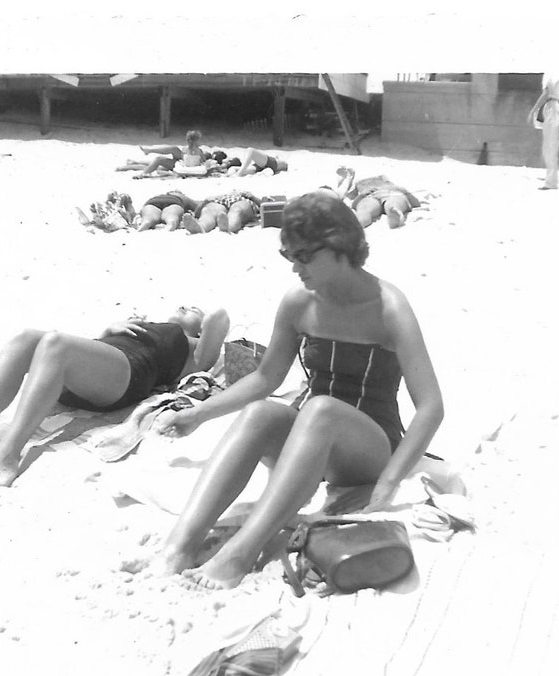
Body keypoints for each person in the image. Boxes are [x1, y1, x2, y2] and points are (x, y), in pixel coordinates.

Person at [153, 190, 444, 589]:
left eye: (304, 255)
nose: (294, 267)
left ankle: (239, 555)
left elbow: (430, 406)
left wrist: (388, 483)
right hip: (309, 436)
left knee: (321, 408)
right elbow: (265, 379)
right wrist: (198, 413)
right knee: (262, 412)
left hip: (369, 447)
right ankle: (180, 545)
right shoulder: (298, 302)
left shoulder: (388, 307)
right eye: (289, 255)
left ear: (340, 247)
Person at [0, 306, 231, 489]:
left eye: (194, 309)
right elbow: (95, 350)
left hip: (128, 378)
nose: (186, 306)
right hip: (86, 373)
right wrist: (108, 330)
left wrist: (210, 324)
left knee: (56, 343)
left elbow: (214, 335)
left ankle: (7, 455)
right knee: (25, 338)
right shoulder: (147, 324)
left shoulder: (192, 346)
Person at [333, 167, 421, 229]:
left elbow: (416, 203)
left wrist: (402, 190)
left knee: (393, 202)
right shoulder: (356, 184)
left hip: (388, 193)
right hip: (371, 195)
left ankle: (393, 213)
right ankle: (356, 224)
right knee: (365, 208)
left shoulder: (388, 182)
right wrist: (361, 196)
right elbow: (352, 203)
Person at [115, 130, 208, 177]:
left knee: (157, 163)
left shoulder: (189, 150)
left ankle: (134, 166)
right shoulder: (197, 151)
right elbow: (203, 162)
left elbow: (203, 163)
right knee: (172, 150)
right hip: (181, 164)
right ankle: (138, 160)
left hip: (180, 166)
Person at [527, 73, 559, 190]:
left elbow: (546, 93)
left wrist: (533, 110)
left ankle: (551, 181)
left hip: (553, 107)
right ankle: (551, 176)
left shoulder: (550, 74)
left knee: (549, 147)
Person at [183, 191, 262, 234]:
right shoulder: (218, 196)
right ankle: (200, 227)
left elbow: (264, 205)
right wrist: (205, 202)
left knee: (237, 210)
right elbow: (197, 213)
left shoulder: (246, 195)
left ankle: (229, 227)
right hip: (218, 201)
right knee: (208, 211)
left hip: (242, 200)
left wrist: (253, 197)